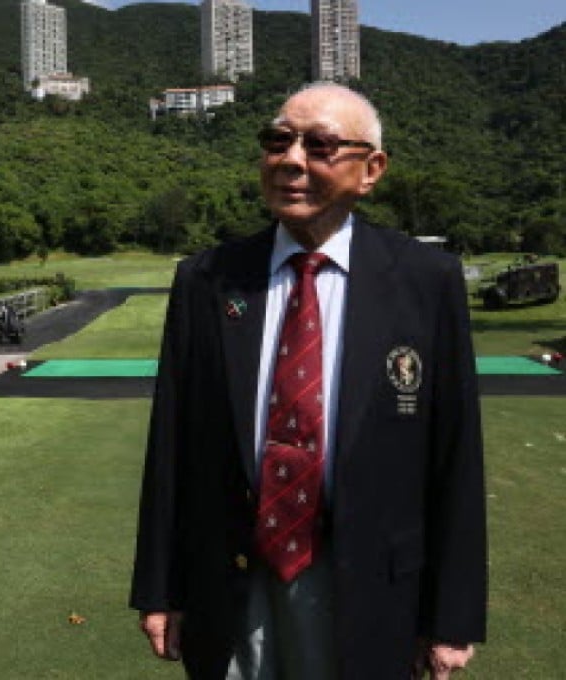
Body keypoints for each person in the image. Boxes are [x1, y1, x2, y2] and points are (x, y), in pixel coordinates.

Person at [130, 82, 486, 680]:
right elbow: (171, 446)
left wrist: (452, 617)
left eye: (319, 145)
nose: (291, 159)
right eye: (277, 141)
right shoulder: (206, 280)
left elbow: (455, 457)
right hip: (234, 583)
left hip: (371, 588)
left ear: (371, 169)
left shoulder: (427, 281)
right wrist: (161, 589)